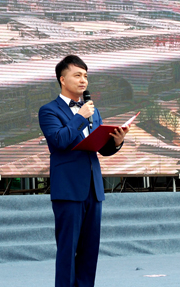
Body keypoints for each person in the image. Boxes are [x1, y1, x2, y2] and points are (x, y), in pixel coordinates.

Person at [38, 55, 129, 287]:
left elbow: (99, 147)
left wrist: (116, 142)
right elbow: (60, 140)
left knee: (90, 251)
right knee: (68, 250)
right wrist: (80, 117)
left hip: (93, 188)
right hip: (68, 189)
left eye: (86, 76)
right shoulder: (49, 111)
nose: (83, 81)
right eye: (77, 75)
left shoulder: (92, 111)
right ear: (62, 79)